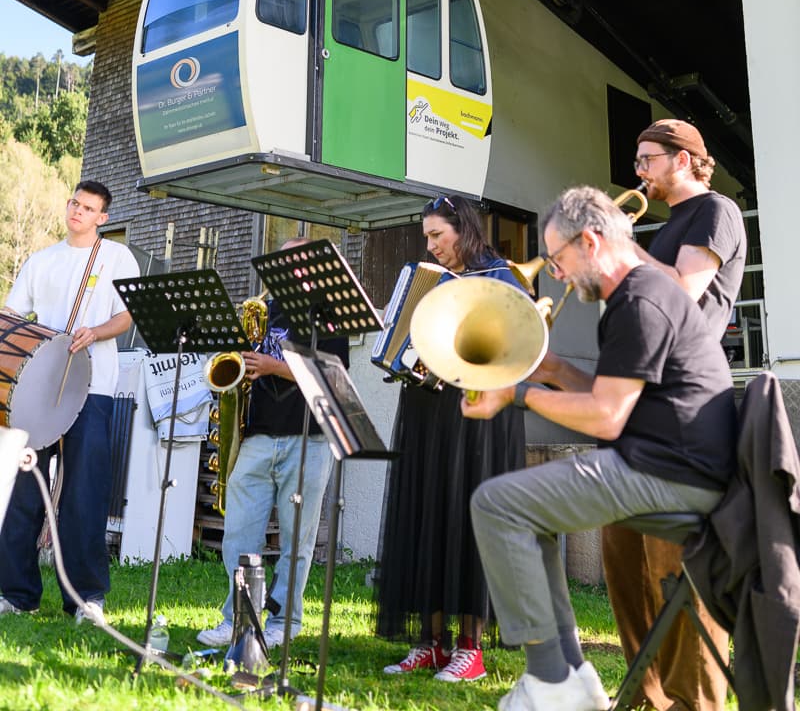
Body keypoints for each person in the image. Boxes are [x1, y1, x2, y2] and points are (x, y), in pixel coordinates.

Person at [463, 185, 737, 711]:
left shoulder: (641, 298)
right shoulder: (641, 292)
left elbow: (608, 417)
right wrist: (552, 370)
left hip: (672, 477)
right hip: (669, 466)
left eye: (559, 259)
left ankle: (551, 682)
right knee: (525, 515)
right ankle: (570, 678)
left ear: (590, 240)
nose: (557, 274)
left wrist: (518, 394)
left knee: (495, 505)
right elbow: (617, 396)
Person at [601, 118, 746, 711]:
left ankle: (696, 701)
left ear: (683, 160)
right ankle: (647, 693)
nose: (639, 172)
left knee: (678, 570)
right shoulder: (663, 229)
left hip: (686, 413)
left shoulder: (715, 212)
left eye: (647, 160)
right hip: (641, 407)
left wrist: (623, 247)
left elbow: (683, 293)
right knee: (623, 558)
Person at [376, 194, 527, 683]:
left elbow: (515, 346)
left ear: (463, 228)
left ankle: (470, 649)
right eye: (427, 237)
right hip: (427, 410)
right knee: (428, 514)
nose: (432, 244)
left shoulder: (501, 275)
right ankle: (431, 643)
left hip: (478, 416)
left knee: (469, 521)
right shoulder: (427, 279)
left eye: (438, 235)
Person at [197, 238, 348, 649]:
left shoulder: (328, 312)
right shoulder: (264, 309)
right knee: (239, 536)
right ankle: (240, 617)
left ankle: (287, 621)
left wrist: (274, 367)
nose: (282, 266)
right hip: (257, 436)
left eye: (292, 258)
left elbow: (335, 376)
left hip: (310, 438)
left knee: (296, 541)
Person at [0, 181, 138, 623]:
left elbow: (127, 313)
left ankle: (86, 600)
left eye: (89, 208)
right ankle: (17, 594)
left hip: (93, 388)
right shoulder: (41, 260)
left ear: (103, 218)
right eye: (75, 203)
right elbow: (15, 316)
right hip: (36, 391)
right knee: (24, 491)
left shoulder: (116, 257)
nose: (78, 211)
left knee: (84, 494)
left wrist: (95, 333)